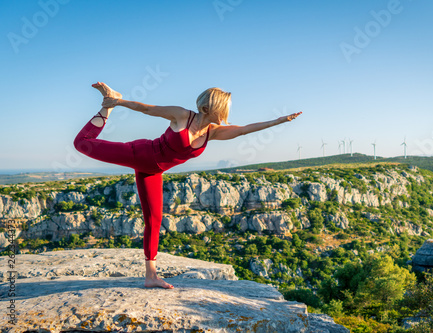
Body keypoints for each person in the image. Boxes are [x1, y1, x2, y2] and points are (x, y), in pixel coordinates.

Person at [74, 82, 302, 289]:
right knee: (82, 144)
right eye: (223, 110)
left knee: (153, 221)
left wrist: (279, 121)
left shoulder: (212, 132)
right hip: (138, 153)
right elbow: (147, 108)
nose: (226, 115)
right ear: (207, 109)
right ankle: (107, 108)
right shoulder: (182, 116)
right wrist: (117, 102)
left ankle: (151, 276)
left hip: (152, 171)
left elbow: (244, 129)